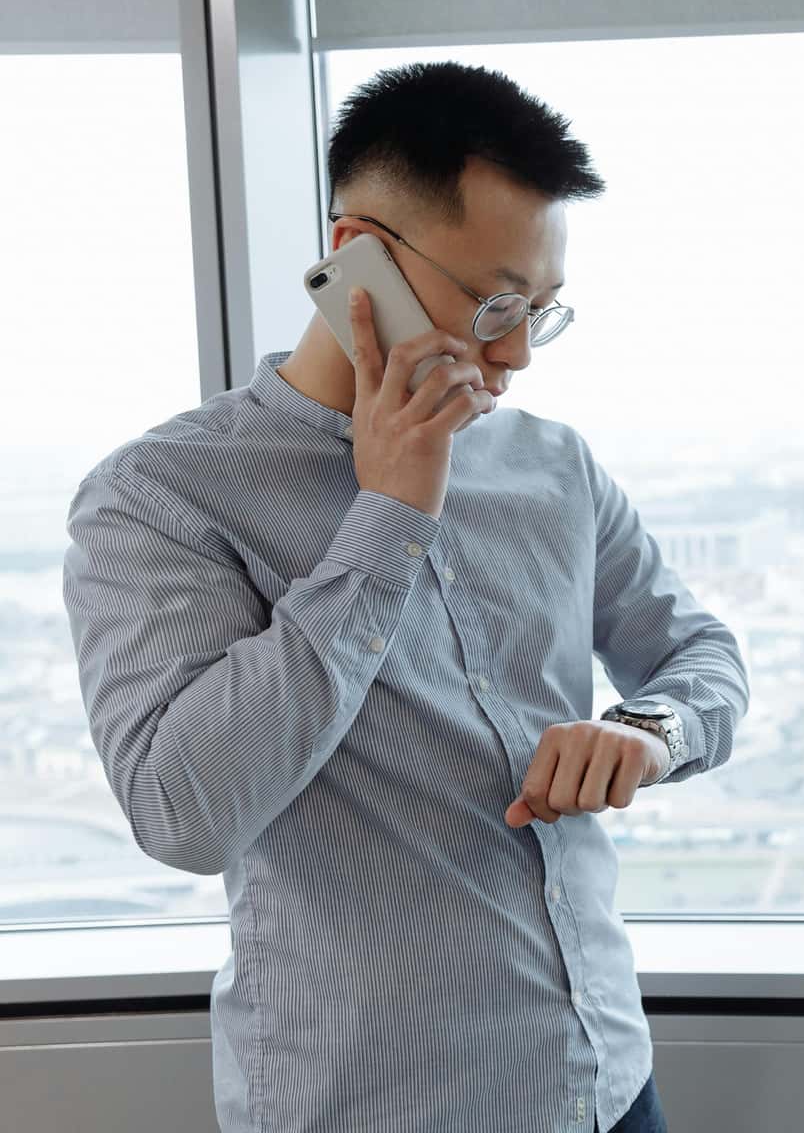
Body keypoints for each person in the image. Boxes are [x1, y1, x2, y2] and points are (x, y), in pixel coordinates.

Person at [62, 62, 747, 1133]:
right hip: (374, 1109)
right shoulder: (162, 496)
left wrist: (646, 731)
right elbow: (182, 813)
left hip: (607, 1086)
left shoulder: (554, 467)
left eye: (542, 309)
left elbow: (699, 654)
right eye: (494, 303)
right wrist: (387, 515)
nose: (517, 351)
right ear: (357, 259)